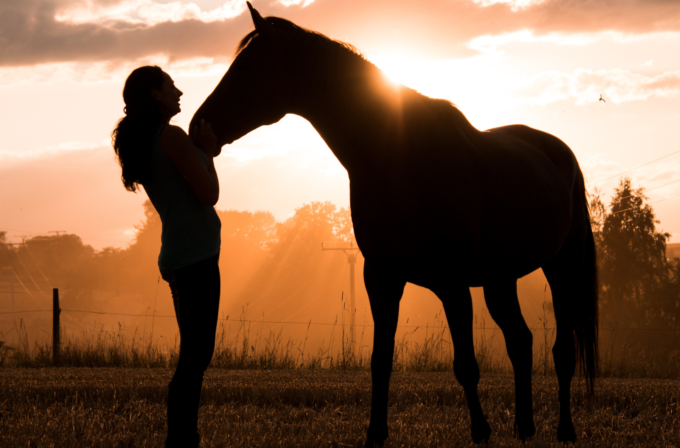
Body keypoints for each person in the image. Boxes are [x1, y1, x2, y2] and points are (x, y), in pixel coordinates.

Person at [111, 65, 222, 448]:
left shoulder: (151, 139)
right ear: (155, 94)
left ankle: (182, 438)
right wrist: (208, 153)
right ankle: (182, 439)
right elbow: (208, 194)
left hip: (181, 257)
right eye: (171, 85)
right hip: (195, 259)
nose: (179, 92)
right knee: (195, 358)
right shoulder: (172, 137)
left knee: (194, 356)